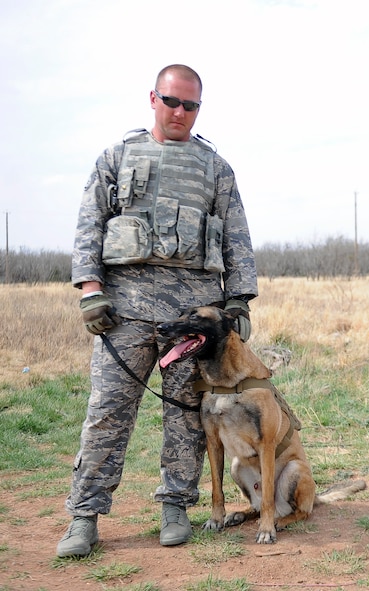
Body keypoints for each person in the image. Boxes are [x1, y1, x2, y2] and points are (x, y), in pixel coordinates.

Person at [57, 64, 258, 557]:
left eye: (190, 105)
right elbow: (90, 223)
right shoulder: (117, 156)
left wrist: (238, 301)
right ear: (153, 98)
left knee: (187, 414)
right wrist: (90, 292)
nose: (180, 113)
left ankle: (175, 506)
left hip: (193, 316)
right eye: (172, 101)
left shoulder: (216, 168)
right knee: (106, 413)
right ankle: (84, 517)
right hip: (122, 311)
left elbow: (236, 237)